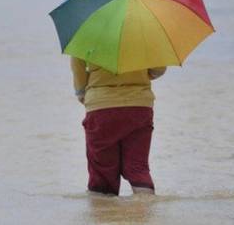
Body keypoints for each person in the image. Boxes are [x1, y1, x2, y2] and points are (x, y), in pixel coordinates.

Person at [71, 57, 166, 196]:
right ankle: (146, 211)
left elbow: (78, 67)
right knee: (138, 168)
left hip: (101, 106)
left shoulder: (83, 35)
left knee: (102, 173)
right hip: (139, 105)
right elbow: (159, 68)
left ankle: (105, 215)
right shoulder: (141, 34)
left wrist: (82, 93)